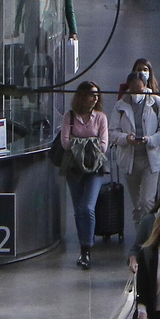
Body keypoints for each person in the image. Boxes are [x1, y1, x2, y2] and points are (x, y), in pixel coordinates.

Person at [112, 72, 160, 226]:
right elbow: (112, 132)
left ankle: (147, 237)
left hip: (150, 160)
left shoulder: (157, 103)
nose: (136, 94)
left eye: (139, 90)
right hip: (130, 160)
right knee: (138, 203)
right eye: (133, 90)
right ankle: (140, 229)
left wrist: (151, 140)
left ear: (145, 86)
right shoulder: (120, 105)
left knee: (147, 201)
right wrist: (126, 139)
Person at [59, 82, 110, 269]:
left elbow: (103, 145)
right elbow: (64, 143)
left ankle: (87, 249)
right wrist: (90, 142)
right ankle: (82, 248)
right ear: (82, 97)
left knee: (88, 207)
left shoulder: (101, 118)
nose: (95, 99)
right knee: (78, 208)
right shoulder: (69, 117)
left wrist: (78, 143)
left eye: (97, 95)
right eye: (91, 95)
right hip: (74, 169)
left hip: (95, 167)